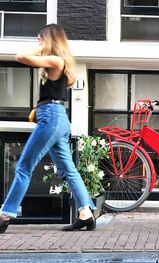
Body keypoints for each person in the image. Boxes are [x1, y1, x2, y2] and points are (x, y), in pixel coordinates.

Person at [0, 23, 96, 233]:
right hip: (56, 117)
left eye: (40, 37)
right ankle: (86, 214)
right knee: (68, 170)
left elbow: (20, 57)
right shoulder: (59, 62)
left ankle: (5, 214)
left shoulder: (56, 59)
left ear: (50, 40)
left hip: (52, 117)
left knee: (24, 166)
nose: (37, 40)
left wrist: (42, 45)